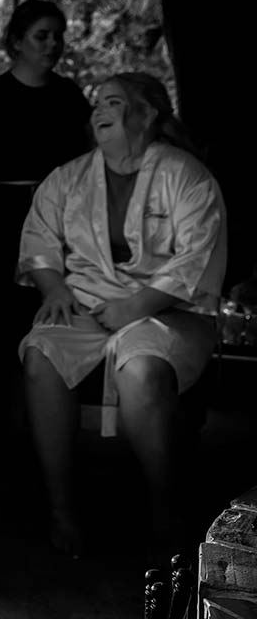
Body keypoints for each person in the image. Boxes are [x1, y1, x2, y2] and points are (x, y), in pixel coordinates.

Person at [17, 72, 225, 562]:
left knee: (143, 371)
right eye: (95, 105)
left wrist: (135, 307)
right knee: (41, 356)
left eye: (112, 102)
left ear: (147, 114)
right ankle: (61, 509)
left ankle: (162, 510)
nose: (98, 112)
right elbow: (39, 240)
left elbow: (198, 257)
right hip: (86, 305)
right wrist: (53, 287)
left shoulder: (186, 176)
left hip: (171, 312)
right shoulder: (68, 176)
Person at [0, 0, 92, 449]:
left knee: (42, 316)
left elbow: (89, 164)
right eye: (41, 36)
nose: (52, 45)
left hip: (56, 219)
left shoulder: (69, 96)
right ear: (16, 42)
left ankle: (38, 420)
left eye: (57, 36)